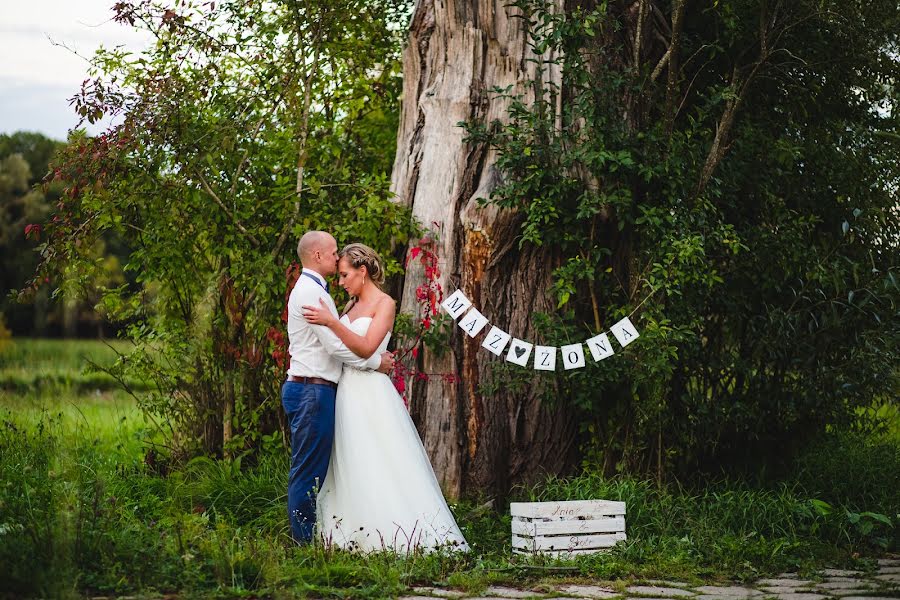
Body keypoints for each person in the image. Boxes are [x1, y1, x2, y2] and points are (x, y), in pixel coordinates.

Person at [303, 243, 469, 553]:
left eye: (344, 275)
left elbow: (365, 347)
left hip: (372, 394)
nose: (340, 283)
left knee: (378, 458)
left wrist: (332, 322)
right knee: (350, 460)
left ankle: (396, 535)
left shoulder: (385, 303)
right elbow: (342, 352)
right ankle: (351, 535)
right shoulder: (349, 306)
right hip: (346, 391)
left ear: (362, 272)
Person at [283, 231, 395, 544]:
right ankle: (302, 544)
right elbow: (335, 347)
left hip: (324, 391)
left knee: (324, 468)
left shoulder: (324, 294)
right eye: (333, 253)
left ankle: (329, 534)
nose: (336, 258)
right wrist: (376, 362)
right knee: (308, 472)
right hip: (310, 391)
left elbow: (339, 344)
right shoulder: (310, 293)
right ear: (318, 255)